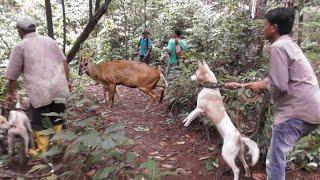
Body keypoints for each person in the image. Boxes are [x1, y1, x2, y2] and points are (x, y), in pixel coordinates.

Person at [225, 7, 320, 180]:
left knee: (275, 158)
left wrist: (265, 89)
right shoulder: (289, 44)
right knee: (276, 153)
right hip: (312, 109)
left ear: (274, 27)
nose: (263, 29)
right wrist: (243, 84)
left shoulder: (277, 47)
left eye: (265, 25)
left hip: (297, 113)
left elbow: (279, 86)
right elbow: (274, 80)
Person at [4, 16, 70, 156]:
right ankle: (61, 145)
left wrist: (10, 92)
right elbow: (64, 62)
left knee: (38, 121)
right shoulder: (49, 41)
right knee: (58, 117)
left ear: (20, 31)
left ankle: (42, 150)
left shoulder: (20, 46)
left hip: (40, 90)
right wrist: (66, 82)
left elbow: (12, 74)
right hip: (58, 86)